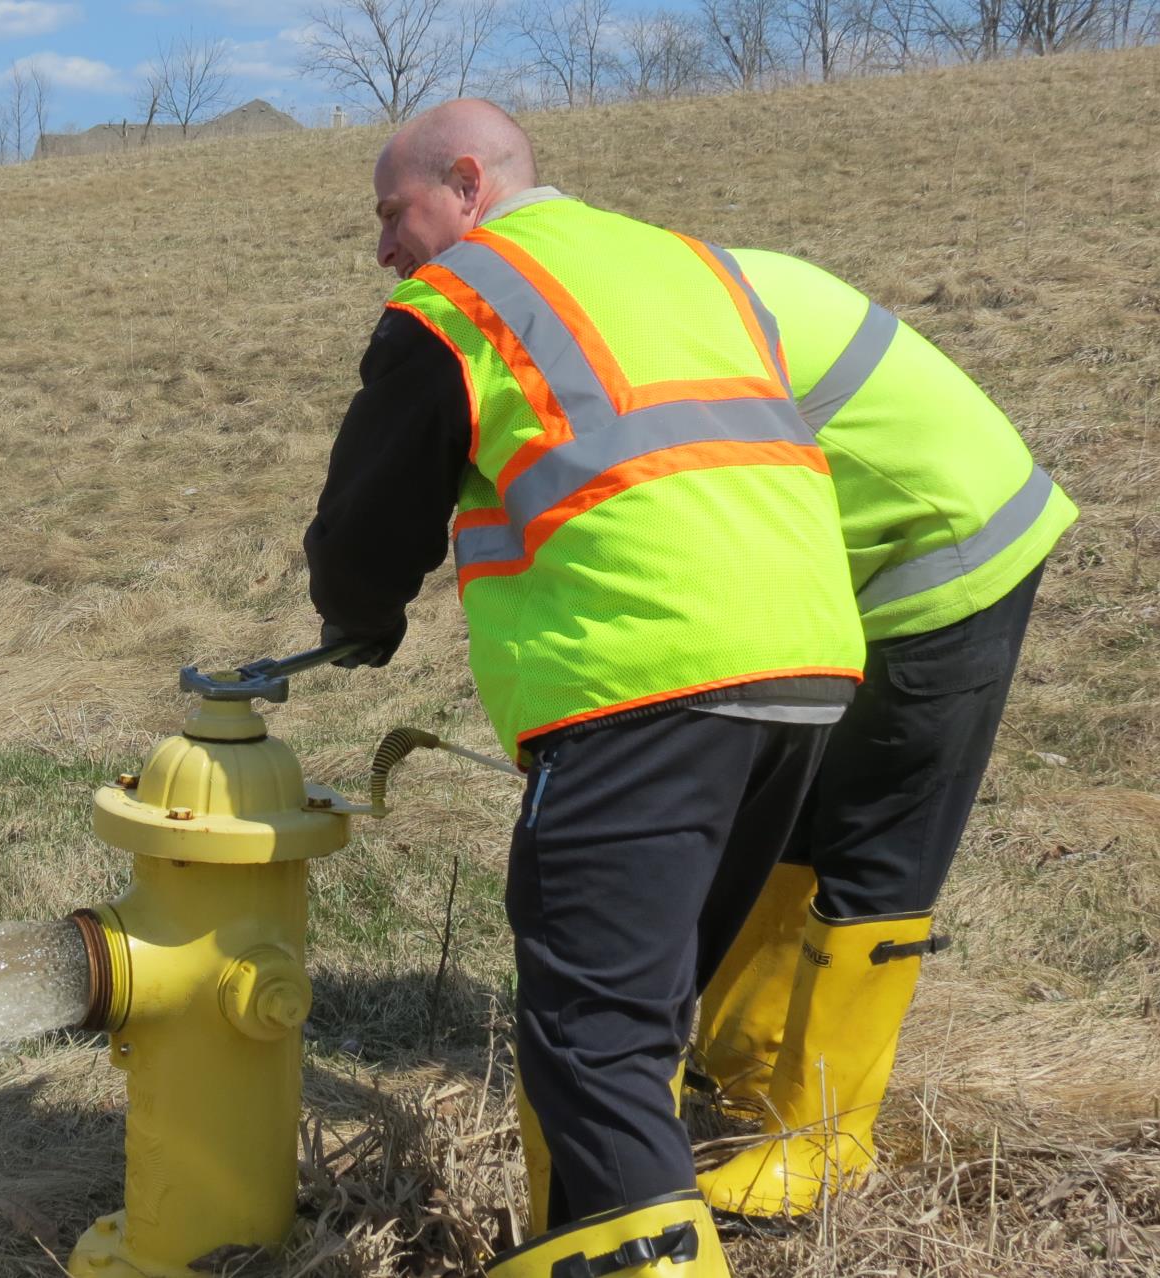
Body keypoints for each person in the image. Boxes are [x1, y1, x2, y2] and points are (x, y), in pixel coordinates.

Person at [304, 98, 866, 1277]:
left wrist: (355, 621)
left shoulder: (460, 298)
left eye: (393, 213)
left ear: (464, 183)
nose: (383, 248)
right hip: (805, 665)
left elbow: (367, 523)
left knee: (594, 1038)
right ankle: (589, 1239)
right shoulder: (683, 262)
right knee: (648, 1016)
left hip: (644, 681)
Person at [688, 251, 1076, 1218]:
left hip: (943, 540)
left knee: (876, 838)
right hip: (856, 550)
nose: (386, 248)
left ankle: (825, 1141)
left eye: (397, 215)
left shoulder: (640, 319)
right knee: (804, 817)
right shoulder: (631, 292)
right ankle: (744, 1066)